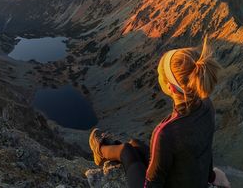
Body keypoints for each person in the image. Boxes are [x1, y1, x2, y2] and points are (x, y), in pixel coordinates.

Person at [89, 34, 231, 188]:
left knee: (127, 151)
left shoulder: (166, 132)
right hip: (194, 180)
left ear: (170, 88)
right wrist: (211, 175)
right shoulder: (207, 106)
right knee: (136, 144)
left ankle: (100, 149)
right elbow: (204, 149)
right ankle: (112, 146)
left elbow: (152, 184)